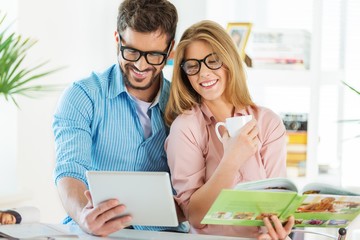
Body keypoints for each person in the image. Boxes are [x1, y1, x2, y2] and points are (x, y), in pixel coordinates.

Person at [52, 0, 187, 237]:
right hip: (97, 232)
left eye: (154, 55)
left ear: (170, 49)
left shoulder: (183, 104)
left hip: (166, 233)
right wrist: (84, 215)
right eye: (132, 51)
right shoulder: (83, 96)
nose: (140, 64)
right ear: (117, 39)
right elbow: (70, 170)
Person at [164, 20, 294, 239]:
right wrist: (231, 159)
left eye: (213, 61)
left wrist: (273, 232)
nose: (203, 73)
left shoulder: (268, 122)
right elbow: (194, 214)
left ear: (229, 60)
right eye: (193, 66)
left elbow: (277, 201)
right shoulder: (186, 128)